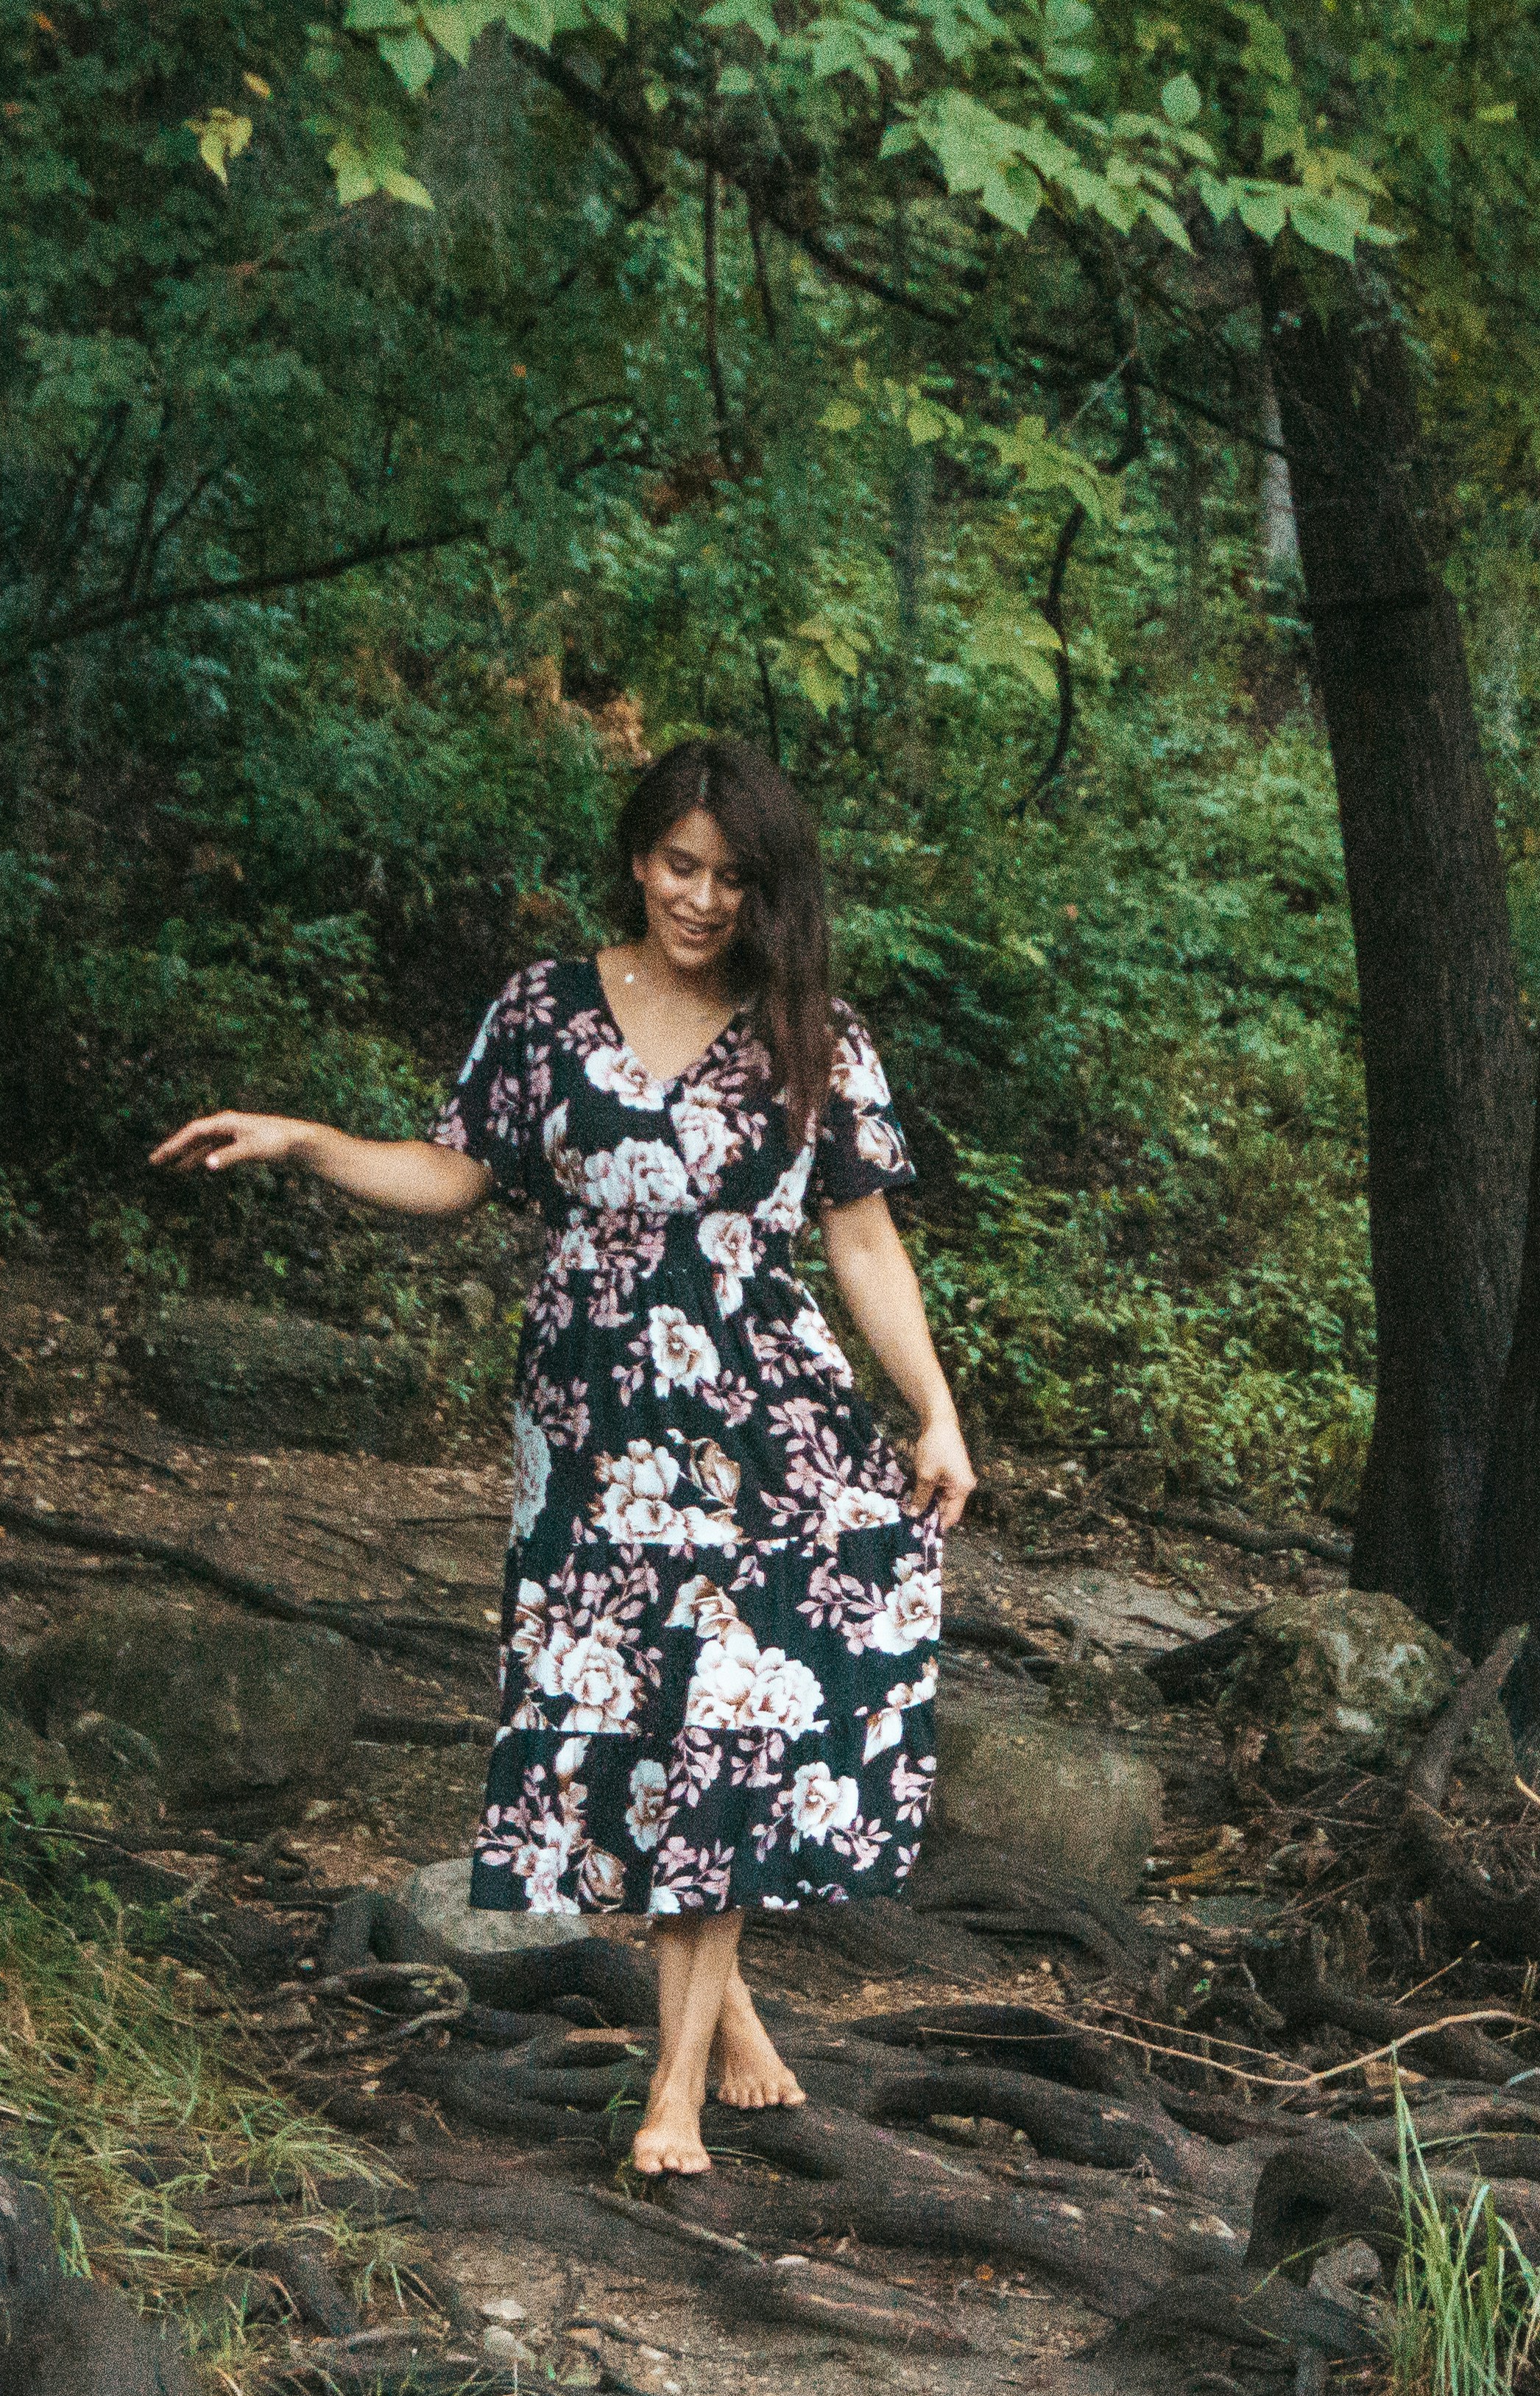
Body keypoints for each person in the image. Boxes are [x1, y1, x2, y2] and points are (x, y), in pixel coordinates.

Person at [153, 738, 972, 2177]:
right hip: (594, 1426)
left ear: (769, 886)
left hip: (764, 1426)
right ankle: (724, 2007)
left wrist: (936, 1408)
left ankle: (672, 2093)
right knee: (637, 1722)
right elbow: (452, 1171)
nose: (701, 898)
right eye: (678, 864)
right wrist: (303, 1140)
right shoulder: (542, 1009)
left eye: (732, 875)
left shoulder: (813, 1034)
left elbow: (861, 1240)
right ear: (638, 859)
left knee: (726, 1720)